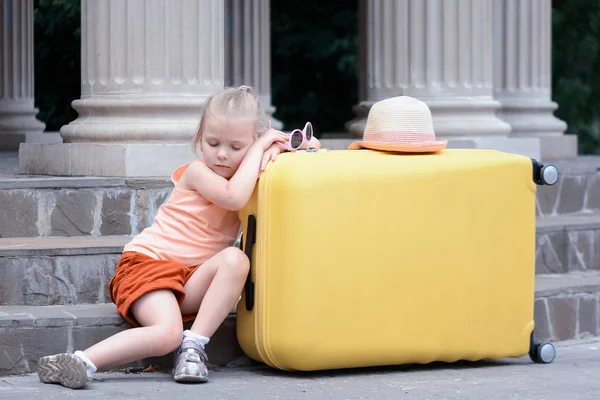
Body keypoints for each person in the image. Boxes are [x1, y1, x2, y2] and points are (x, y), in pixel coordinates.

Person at [36, 85, 321, 389]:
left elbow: (312, 144)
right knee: (166, 334)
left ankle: (193, 348)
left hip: (189, 279)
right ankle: (79, 362)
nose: (222, 154)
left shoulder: (249, 169)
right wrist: (264, 144)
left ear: (250, 144)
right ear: (200, 139)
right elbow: (233, 197)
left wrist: (275, 147)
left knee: (236, 260)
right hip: (148, 267)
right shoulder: (198, 172)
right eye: (213, 143)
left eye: (236, 147)